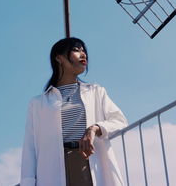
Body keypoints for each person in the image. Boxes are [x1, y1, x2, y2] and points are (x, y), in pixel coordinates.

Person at [20, 37, 128, 186]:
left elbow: (120, 121)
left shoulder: (96, 91)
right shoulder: (38, 103)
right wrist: (28, 183)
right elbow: (29, 148)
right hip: (51, 169)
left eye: (84, 51)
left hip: (87, 161)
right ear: (59, 58)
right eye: (76, 50)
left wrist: (95, 128)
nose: (83, 54)